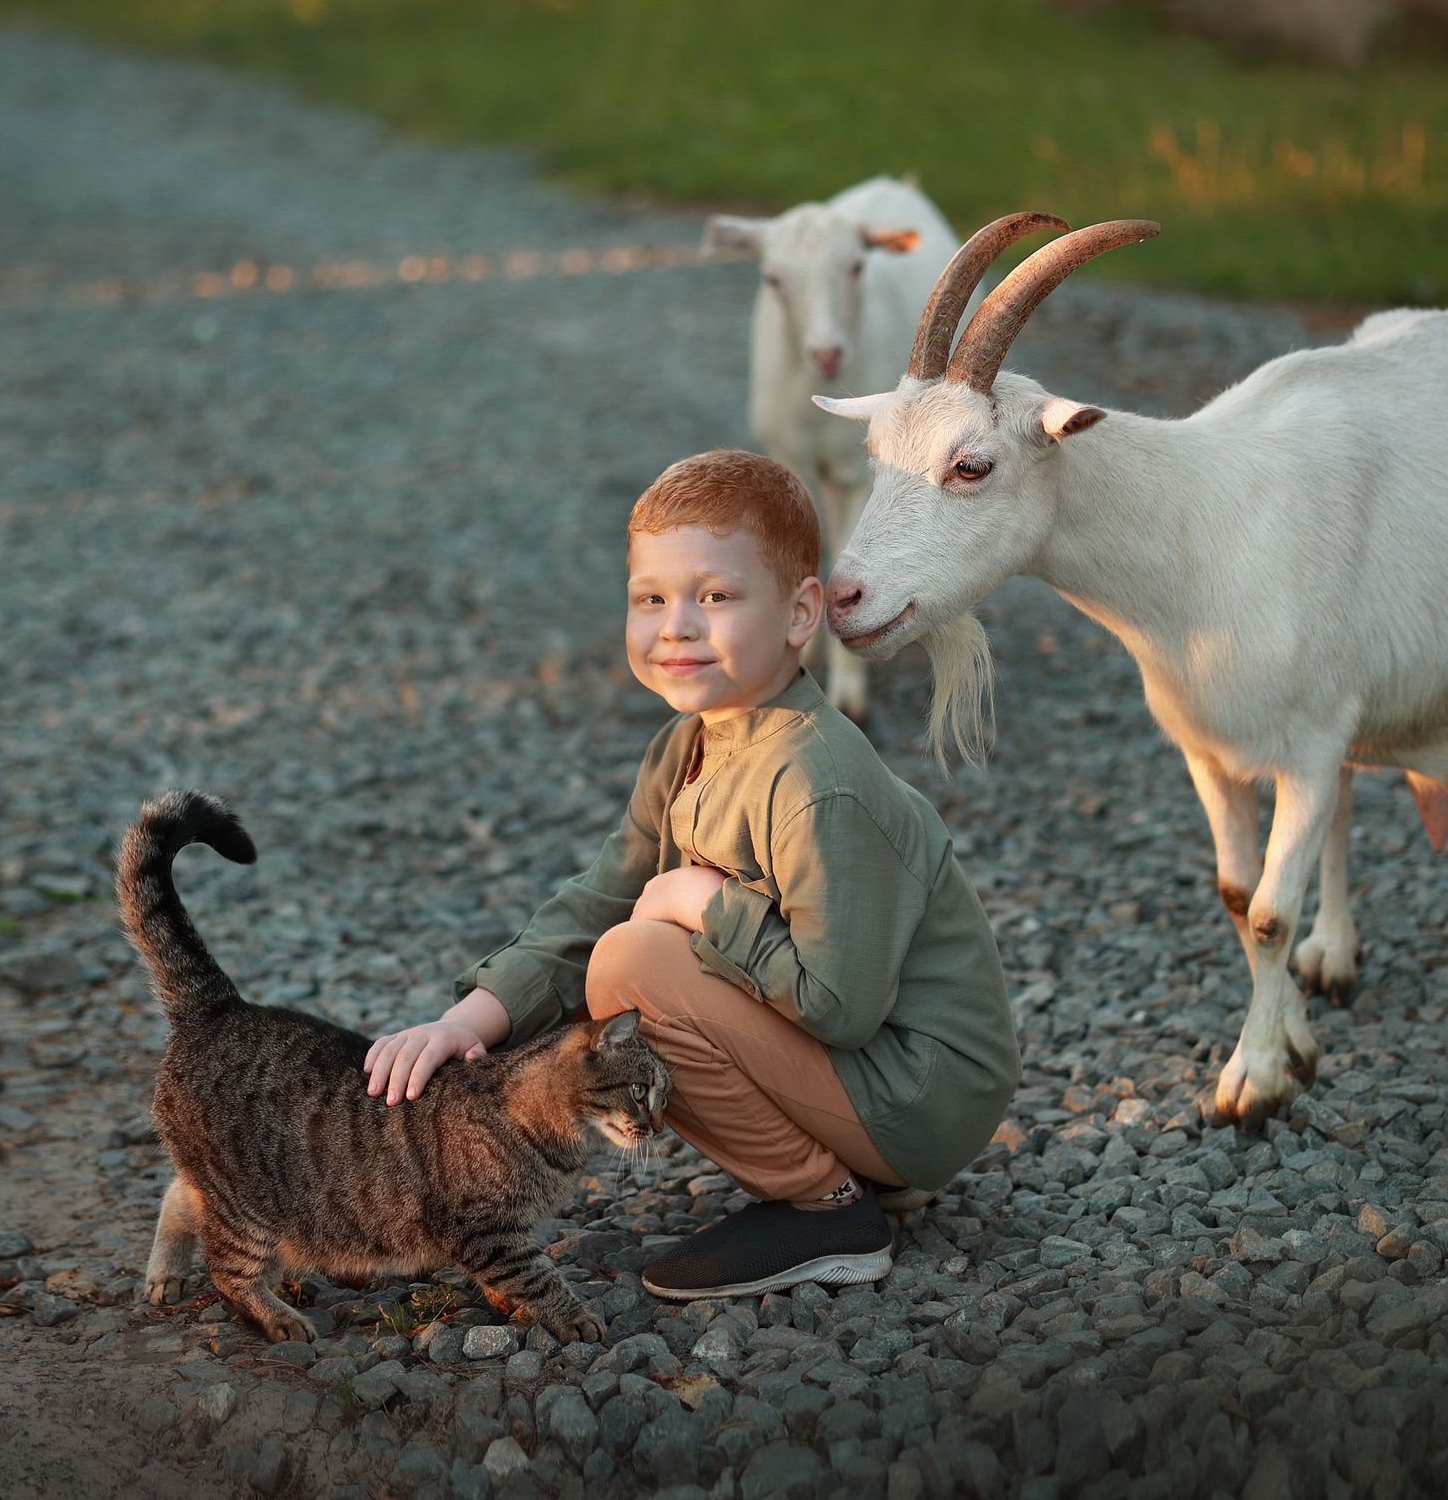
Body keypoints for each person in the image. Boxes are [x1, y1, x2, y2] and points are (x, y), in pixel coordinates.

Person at [364, 449, 1017, 1300]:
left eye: (715, 596)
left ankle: (829, 1209)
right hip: (872, 1077)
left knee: (633, 963)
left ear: (799, 614)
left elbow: (842, 1006)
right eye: (650, 599)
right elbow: (598, 899)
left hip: (923, 1088)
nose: (676, 625)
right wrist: (468, 1020)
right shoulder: (689, 744)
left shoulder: (815, 778)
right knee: (621, 941)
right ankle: (851, 1176)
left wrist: (707, 903)